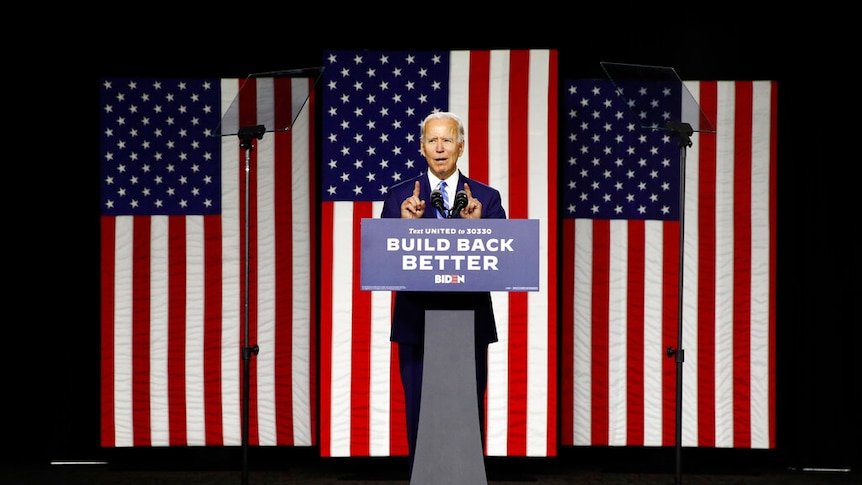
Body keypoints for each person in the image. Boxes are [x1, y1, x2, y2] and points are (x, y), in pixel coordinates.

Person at [380, 111, 506, 475]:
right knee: (419, 412)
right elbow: (383, 261)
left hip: (468, 323)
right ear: (421, 148)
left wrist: (481, 229)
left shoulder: (486, 198)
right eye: (432, 140)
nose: (440, 147)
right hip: (416, 324)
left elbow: (503, 261)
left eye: (447, 140)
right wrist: (404, 229)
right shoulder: (399, 197)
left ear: (460, 147)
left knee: (466, 410)